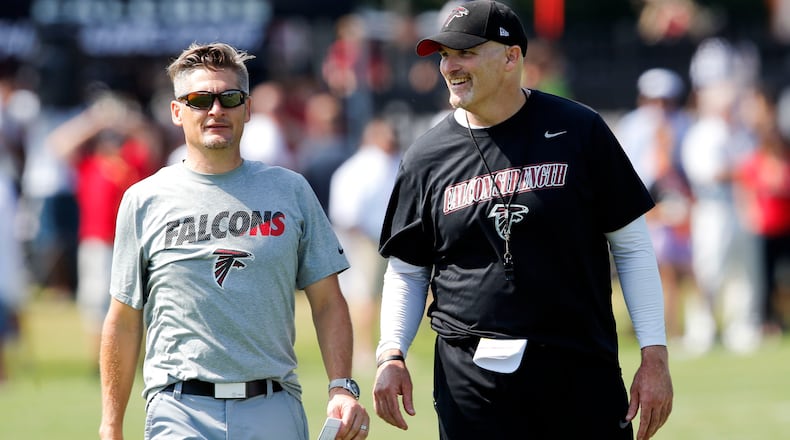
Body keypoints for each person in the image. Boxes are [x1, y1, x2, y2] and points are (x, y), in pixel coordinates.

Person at [371, 2, 673, 440]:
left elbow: (632, 247)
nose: (450, 67)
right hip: (470, 381)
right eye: (443, 55)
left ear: (512, 57)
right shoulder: (425, 157)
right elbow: (407, 268)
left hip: (578, 369)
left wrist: (654, 356)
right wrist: (391, 354)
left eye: (465, 53)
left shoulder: (580, 130)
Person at [98, 42, 370, 440]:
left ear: (247, 108)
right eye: (199, 99)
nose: (215, 110)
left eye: (229, 97)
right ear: (177, 111)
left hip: (272, 403)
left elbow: (328, 302)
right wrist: (111, 424)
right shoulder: (143, 199)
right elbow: (123, 319)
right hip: (179, 409)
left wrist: (342, 386)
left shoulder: (290, 190)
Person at [329, 117, 401, 371]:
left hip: (376, 238)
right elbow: (348, 213)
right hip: (368, 239)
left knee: (377, 295)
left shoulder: (369, 164)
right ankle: (364, 350)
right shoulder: (369, 166)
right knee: (365, 295)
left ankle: (380, 348)